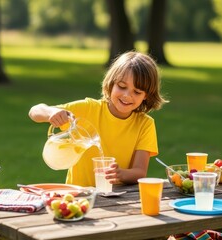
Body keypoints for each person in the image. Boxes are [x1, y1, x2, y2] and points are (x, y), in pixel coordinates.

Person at [29, 51, 168, 187]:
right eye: (122, 86)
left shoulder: (145, 124)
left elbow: (139, 172)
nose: (127, 95)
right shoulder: (87, 109)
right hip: (79, 196)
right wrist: (51, 112)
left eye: (137, 92)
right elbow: (34, 111)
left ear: (146, 96)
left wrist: (120, 174)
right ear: (111, 83)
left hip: (117, 199)